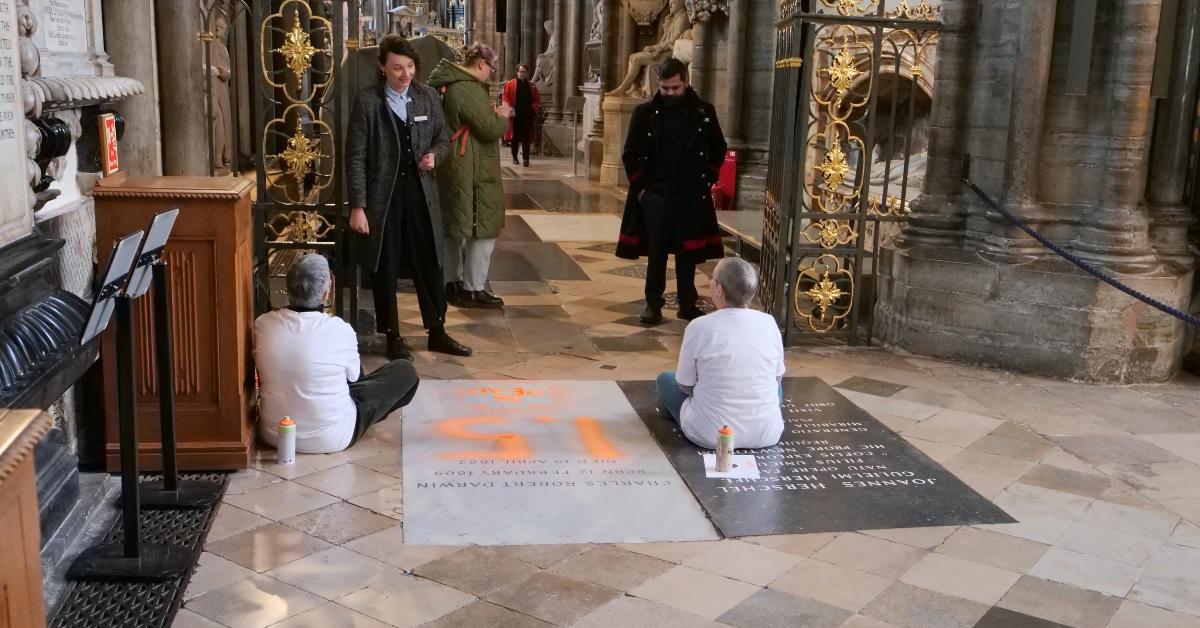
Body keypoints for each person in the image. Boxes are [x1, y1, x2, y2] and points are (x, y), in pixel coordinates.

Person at [347, 35, 472, 360]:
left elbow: (443, 139)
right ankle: (393, 336)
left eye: (410, 67)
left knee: (430, 260)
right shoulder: (368, 102)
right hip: (382, 198)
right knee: (385, 264)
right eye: (398, 68)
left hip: (420, 192)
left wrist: (434, 155)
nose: (405, 74)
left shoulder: (427, 96)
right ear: (383, 67)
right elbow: (356, 156)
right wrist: (358, 206)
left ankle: (437, 331)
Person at [256, 255, 420, 454]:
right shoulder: (340, 330)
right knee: (405, 370)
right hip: (333, 437)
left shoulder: (263, 324)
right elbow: (354, 380)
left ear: (287, 287)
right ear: (327, 292)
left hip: (275, 434)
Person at [615, 57, 727, 325]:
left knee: (687, 253)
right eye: (664, 88)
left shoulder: (704, 112)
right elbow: (629, 154)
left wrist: (707, 179)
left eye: (674, 88)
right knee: (657, 253)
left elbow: (718, 148)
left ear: (685, 83)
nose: (669, 93)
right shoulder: (644, 113)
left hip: (690, 195)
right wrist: (642, 191)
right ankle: (653, 304)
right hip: (656, 195)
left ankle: (687, 304)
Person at [656, 257, 785, 450]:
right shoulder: (768, 322)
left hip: (711, 434)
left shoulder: (699, 326)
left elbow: (685, 385)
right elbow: (777, 378)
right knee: (774, 387)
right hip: (766, 433)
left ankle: (674, 413)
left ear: (718, 289)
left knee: (665, 380)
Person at [429, 43, 512, 309]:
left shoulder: (452, 83)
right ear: (481, 64)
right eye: (491, 67)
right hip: (472, 168)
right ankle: (473, 288)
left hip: (460, 163)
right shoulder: (467, 87)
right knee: (482, 230)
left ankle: (451, 283)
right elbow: (488, 129)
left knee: (455, 227)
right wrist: (502, 116)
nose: (491, 72)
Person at [502, 64, 540, 167]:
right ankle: (514, 157)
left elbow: (536, 100)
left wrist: (533, 109)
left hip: (527, 115)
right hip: (515, 115)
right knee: (515, 137)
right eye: (521, 71)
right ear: (517, 72)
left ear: (527, 73)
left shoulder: (532, 86)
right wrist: (510, 108)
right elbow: (505, 98)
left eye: (524, 72)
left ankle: (526, 159)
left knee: (526, 138)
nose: (523, 74)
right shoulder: (510, 84)